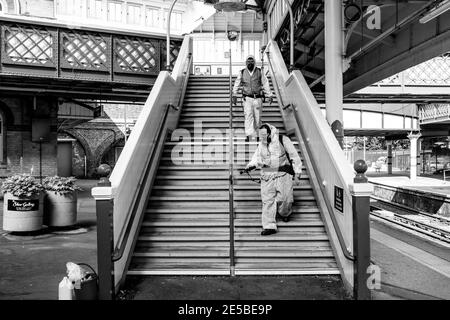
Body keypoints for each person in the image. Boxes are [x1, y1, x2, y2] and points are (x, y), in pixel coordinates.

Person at [245, 123, 303, 236]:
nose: (262, 138)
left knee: (286, 198)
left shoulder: (283, 140)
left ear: (270, 133)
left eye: (264, 136)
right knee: (267, 201)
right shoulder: (261, 145)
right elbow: (256, 158)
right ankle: (269, 226)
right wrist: (250, 166)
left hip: (283, 173)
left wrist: (297, 173)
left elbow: (294, 156)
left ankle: (284, 213)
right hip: (267, 175)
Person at [232, 55, 274, 141]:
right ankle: (249, 135)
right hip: (247, 99)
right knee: (248, 117)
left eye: (251, 61)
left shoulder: (259, 71)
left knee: (258, 118)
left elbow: (265, 83)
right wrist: (234, 94)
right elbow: (237, 83)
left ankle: (259, 135)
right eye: (248, 61)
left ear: (254, 62)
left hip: (258, 98)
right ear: (246, 62)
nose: (250, 62)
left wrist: (270, 95)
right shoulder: (242, 72)